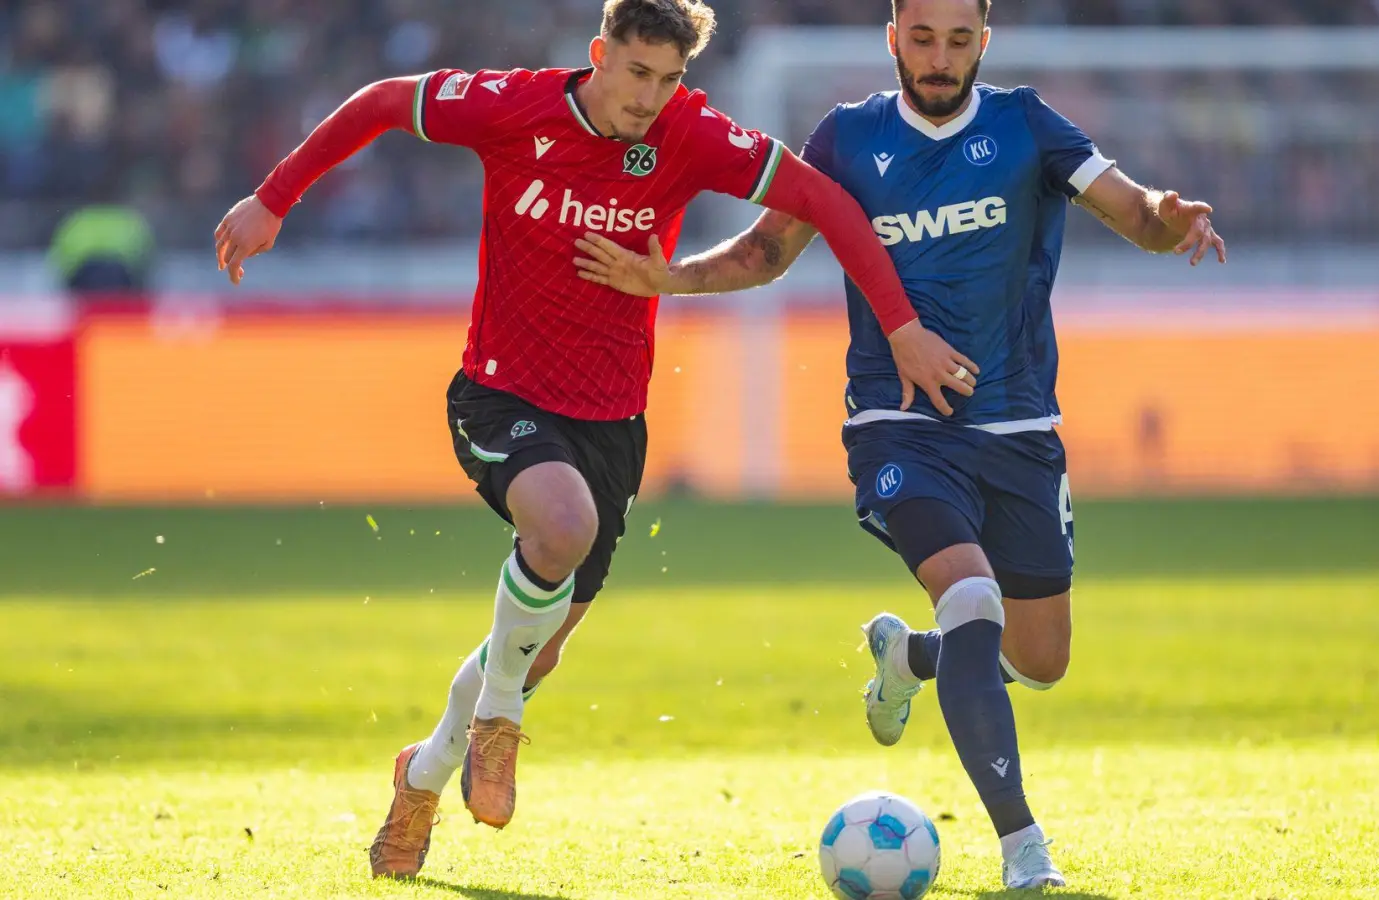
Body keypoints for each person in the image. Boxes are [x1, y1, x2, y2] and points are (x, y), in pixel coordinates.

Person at [212, 0, 977, 881]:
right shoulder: (513, 107)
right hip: (498, 392)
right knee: (559, 531)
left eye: (670, 79)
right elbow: (386, 100)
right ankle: (499, 722)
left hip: (612, 423)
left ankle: (423, 774)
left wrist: (901, 324)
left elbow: (825, 203)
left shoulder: (690, 135)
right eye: (638, 73)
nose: (650, 98)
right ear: (598, 55)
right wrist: (274, 199)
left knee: (537, 642)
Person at [571, 0, 1225, 888]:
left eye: (960, 40)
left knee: (1041, 660)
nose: (941, 58)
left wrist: (1166, 215)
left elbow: (1131, 210)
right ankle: (1023, 847)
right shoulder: (848, 138)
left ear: (983, 43)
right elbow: (770, 250)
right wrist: (668, 279)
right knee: (972, 598)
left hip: (1021, 425)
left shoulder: (1027, 124)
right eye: (923, 38)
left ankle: (910, 657)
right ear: (893, 40)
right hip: (900, 424)